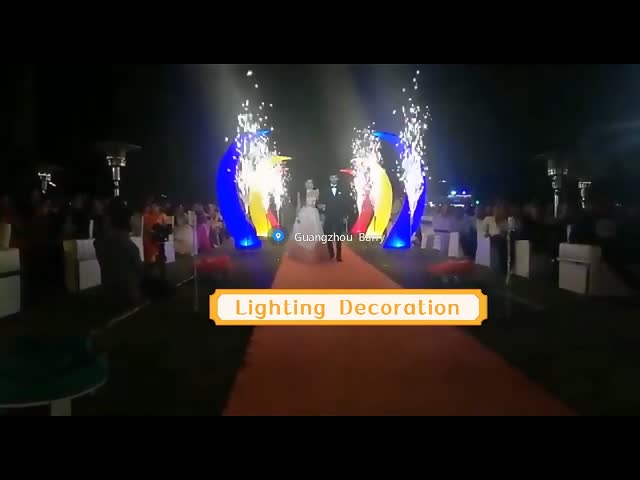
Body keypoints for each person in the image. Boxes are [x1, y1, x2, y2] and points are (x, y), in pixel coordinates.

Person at [286, 179, 327, 263]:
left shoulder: (316, 192)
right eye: (308, 183)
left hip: (313, 213)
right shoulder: (301, 193)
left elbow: (318, 204)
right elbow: (298, 205)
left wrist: (322, 208)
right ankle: (300, 252)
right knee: (301, 231)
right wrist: (297, 216)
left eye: (311, 183)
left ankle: (314, 252)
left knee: (314, 231)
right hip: (304, 213)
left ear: (313, 184)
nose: (309, 184)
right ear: (305, 184)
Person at [318, 174, 351, 262]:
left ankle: (339, 255)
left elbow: (345, 203)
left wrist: (345, 216)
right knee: (328, 235)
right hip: (328, 215)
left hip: (339, 215)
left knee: (338, 236)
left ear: (337, 178)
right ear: (330, 179)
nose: (333, 179)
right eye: (332, 177)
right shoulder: (325, 190)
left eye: (335, 177)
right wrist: (322, 213)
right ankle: (331, 253)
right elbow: (321, 202)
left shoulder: (342, 189)